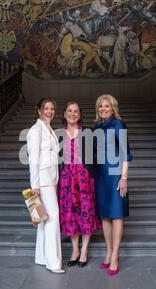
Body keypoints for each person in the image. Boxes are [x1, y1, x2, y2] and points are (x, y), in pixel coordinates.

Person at [58, 102, 101, 268]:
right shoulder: (58, 134)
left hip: (84, 179)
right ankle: (75, 250)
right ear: (64, 114)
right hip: (66, 180)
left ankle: (84, 251)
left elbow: (98, 155)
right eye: (69, 111)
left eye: (76, 111)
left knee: (86, 212)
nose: (73, 114)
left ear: (80, 115)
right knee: (70, 213)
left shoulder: (88, 132)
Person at [94, 94, 132, 276]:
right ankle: (108, 251)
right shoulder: (97, 126)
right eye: (100, 106)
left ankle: (115, 255)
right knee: (105, 216)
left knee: (116, 215)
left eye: (106, 106)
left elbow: (125, 153)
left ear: (113, 108)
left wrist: (124, 177)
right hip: (101, 175)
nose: (103, 109)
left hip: (116, 174)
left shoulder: (118, 124)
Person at [26, 98, 65, 274]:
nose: (49, 111)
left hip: (50, 179)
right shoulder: (35, 130)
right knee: (52, 218)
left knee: (43, 219)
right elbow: (33, 159)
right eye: (46, 108)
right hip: (42, 181)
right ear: (39, 110)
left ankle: (41, 257)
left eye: (52, 108)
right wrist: (35, 185)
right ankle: (54, 263)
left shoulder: (48, 128)